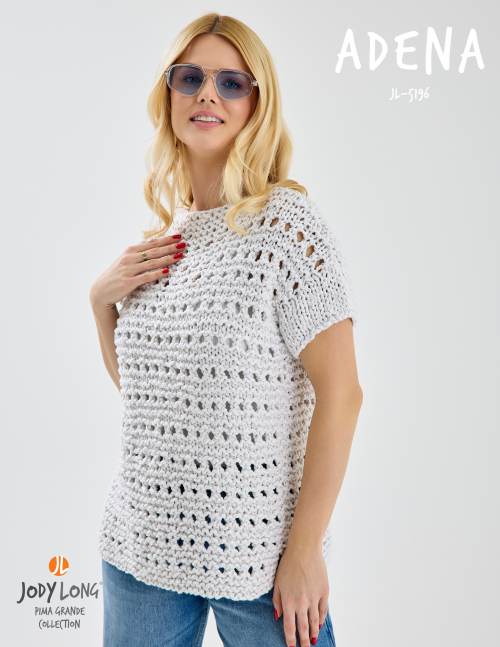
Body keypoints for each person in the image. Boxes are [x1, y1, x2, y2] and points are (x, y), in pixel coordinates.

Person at [89, 12, 363, 647]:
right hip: (141, 548)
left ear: (256, 104)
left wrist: (305, 551)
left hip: (259, 557)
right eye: (190, 78)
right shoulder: (166, 241)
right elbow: (153, 399)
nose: (207, 94)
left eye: (231, 83)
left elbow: (344, 395)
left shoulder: (288, 229)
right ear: (169, 95)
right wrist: (100, 303)